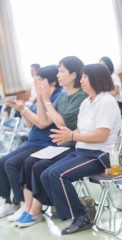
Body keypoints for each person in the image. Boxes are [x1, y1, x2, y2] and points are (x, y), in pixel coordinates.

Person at [41, 63, 122, 235]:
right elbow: (81, 130)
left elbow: (101, 135)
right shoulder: (86, 102)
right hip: (83, 151)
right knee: (45, 173)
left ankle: (81, 216)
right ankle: (80, 206)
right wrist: (70, 133)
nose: (81, 80)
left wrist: (72, 136)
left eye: (85, 77)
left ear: (96, 78)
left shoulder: (106, 101)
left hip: (101, 154)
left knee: (58, 175)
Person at [13, 56, 86, 227]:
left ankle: (36, 210)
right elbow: (44, 121)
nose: (58, 74)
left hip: (73, 145)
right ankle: (29, 208)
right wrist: (40, 97)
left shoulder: (79, 96)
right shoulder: (63, 97)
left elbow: (62, 124)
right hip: (59, 145)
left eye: (62, 71)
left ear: (74, 75)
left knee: (37, 166)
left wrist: (45, 99)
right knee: (30, 162)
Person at [0, 66, 63, 218]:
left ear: (52, 82)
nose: (37, 82)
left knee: (11, 164)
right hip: (32, 140)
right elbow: (30, 125)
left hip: (45, 143)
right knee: (2, 161)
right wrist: (22, 109)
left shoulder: (56, 97)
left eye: (40, 79)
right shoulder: (40, 97)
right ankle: (8, 201)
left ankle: (23, 204)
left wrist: (25, 108)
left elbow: (42, 123)